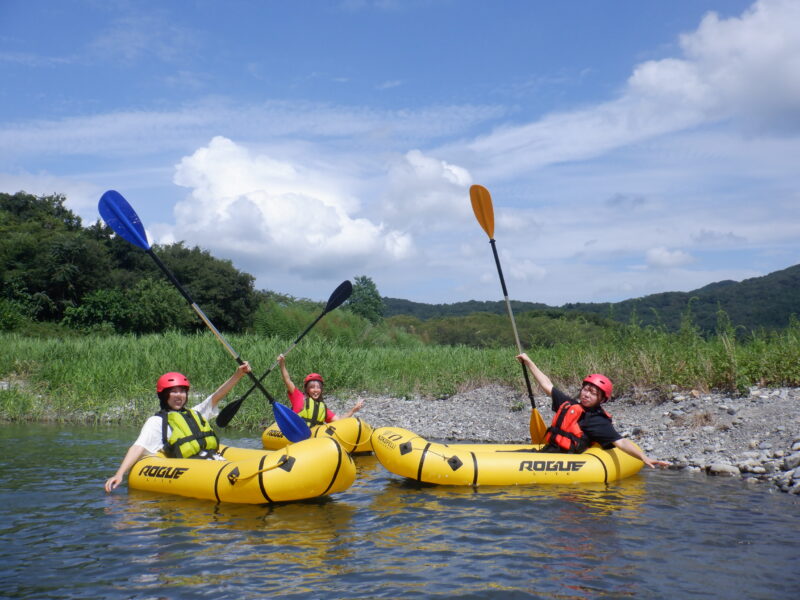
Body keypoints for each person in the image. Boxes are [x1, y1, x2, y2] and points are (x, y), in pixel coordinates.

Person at [104, 362, 251, 493]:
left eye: (182, 391)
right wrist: (120, 473)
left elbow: (217, 395)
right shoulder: (156, 422)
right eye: (173, 391)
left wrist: (238, 375)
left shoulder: (195, 413)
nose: (179, 395)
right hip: (194, 471)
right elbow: (138, 447)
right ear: (164, 395)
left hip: (214, 462)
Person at [516, 353, 670, 469]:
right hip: (547, 452)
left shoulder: (597, 420)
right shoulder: (569, 404)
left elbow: (621, 442)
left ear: (602, 399)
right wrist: (529, 362)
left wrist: (643, 457)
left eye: (593, 393)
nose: (587, 394)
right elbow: (547, 385)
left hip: (564, 461)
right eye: (586, 389)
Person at [277, 353, 364, 427]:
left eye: (318, 387)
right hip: (296, 433)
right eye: (312, 387)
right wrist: (282, 364)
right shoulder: (298, 396)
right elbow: (287, 380)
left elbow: (339, 421)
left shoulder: (322, 408)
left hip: (313, 440)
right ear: (307, 389)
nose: (316, 390)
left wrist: (353, 410)